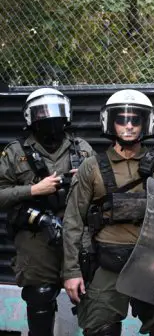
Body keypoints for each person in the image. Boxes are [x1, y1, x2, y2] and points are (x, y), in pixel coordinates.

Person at [62, 89, 154, 336]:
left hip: (151, 265)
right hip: (106, 263)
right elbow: (73, 221)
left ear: (145, 123)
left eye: (135, 120)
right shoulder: (92, 167)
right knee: (101, 329)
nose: (128, 126)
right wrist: (72, 271)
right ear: (111, 122)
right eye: (122, 120)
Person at [0, 87, 95, 336]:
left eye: (56, 110)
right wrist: (33, 190)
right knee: (40, 297)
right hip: (36, 239)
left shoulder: (82, 149)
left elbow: (103, 190)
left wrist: (86, 178)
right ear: (31, 117)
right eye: (43, 112)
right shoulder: (15, 152)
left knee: (90, 296)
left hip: (77, 236)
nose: (50, 117)